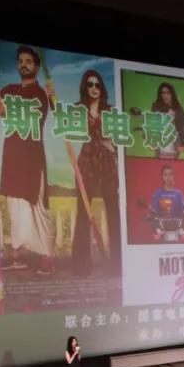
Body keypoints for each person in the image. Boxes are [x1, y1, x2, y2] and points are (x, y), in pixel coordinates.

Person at [0, 45, 53, 274]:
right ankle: (16, 256)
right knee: (14, 208)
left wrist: (11, 107)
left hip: (33, 159)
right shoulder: (10, 88)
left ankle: (48, 259)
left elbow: (30, 113)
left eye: (28, 61)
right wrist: (13, 108)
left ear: (36, 66)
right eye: (20, 61)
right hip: (12, 157)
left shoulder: (41, 94)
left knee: (38, 208)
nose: (23, 65)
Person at [72, 69, 120, 277]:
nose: (94, 88)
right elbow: (65, 125)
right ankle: (81, 265)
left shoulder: (110, 111)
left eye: (97, 84)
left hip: (107, 164)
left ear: (102, 88)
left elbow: (120, 139)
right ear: (85, 87)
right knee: (83, 214)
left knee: (113, 213)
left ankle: (117, 263)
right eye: (90, 84)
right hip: (86, 164)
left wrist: (113, 148)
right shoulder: (78, 109)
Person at [151, 81, 184, 158]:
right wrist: (167, 115)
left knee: (174, 163)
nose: (165, 95)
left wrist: (182, 144)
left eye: (168, 93)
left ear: (172, 94)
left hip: (174, 145)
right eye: (163, 93)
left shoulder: (178, 109)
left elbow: (183, 126)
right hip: (161, 143)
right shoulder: (156, 106)